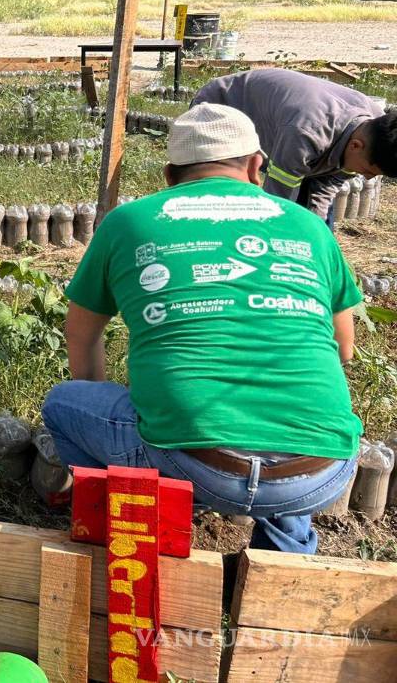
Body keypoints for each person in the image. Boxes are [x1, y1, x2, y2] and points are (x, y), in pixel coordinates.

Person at [42, 103, 362, 555]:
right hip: (320, 474)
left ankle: (149, 522)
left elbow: (81, 333)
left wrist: (129, 413)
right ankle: (282, 559)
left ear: (170, 175)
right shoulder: (309, 226)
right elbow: (343, 351)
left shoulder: (129, 221)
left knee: (63, 405)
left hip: (191, 463)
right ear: (256, 166)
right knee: (294, 419)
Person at [191, 68, 396, 226]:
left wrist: (314, 232)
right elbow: (276, 202)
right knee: (220, 199)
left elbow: (324, 189)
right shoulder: (306, 133)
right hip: (222, 108)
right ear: (355, 145)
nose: (367, 177)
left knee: (315, 226)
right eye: (368, 171)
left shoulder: (376, 126)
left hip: (290, 129)